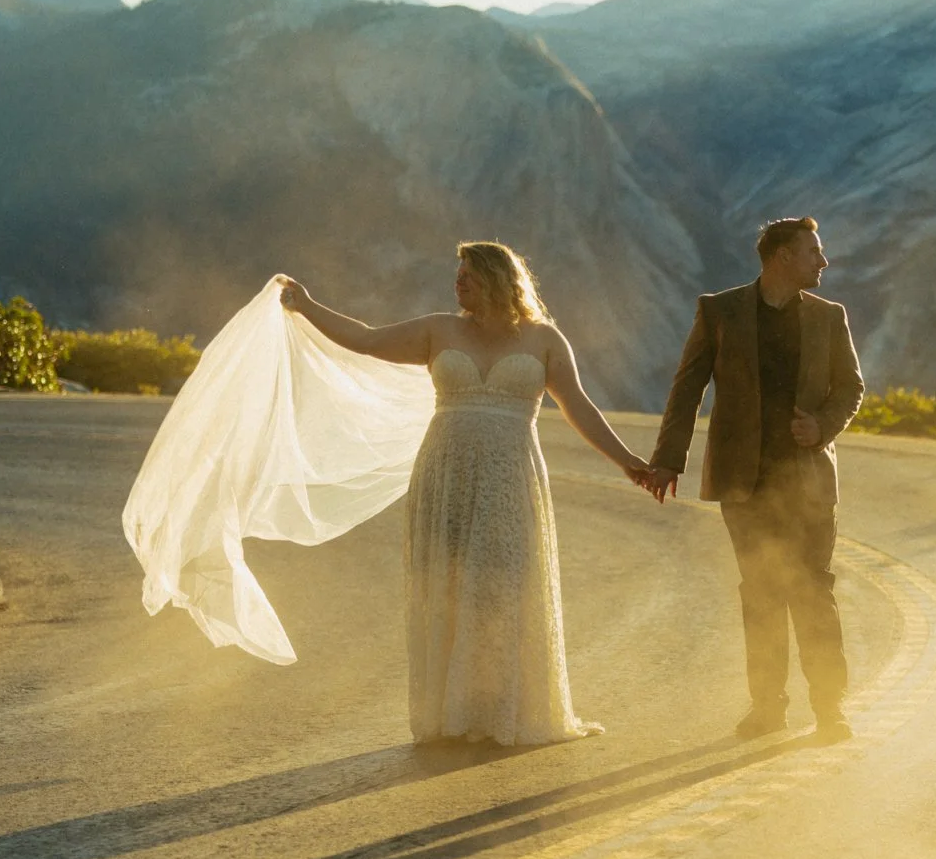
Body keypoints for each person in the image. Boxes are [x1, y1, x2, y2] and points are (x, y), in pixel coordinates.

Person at [278, 240, 658, 745]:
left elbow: (579, 407)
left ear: (500, 281)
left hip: (509, 476)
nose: (458, 284)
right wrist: (307, 304)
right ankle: (451, 716)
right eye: (457, 276)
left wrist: (629, 462)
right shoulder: (439, 329)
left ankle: (500, 712)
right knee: (450, 589)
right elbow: (366, 340)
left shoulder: (544, 340)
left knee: (502, 588)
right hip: (445, 472)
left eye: (469, 277)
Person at [642, 217, 866, 744]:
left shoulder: (829, 317)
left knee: (812, 591)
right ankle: (768, 708)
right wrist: (668, 460)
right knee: (762, 595)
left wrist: (823, 425)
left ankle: (829, 711)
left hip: (808, 481)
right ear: (782, 257)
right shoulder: (719, 312)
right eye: (814, 251)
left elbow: (851, 387)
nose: (823, 261)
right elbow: (687, 388)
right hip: (744, 485)